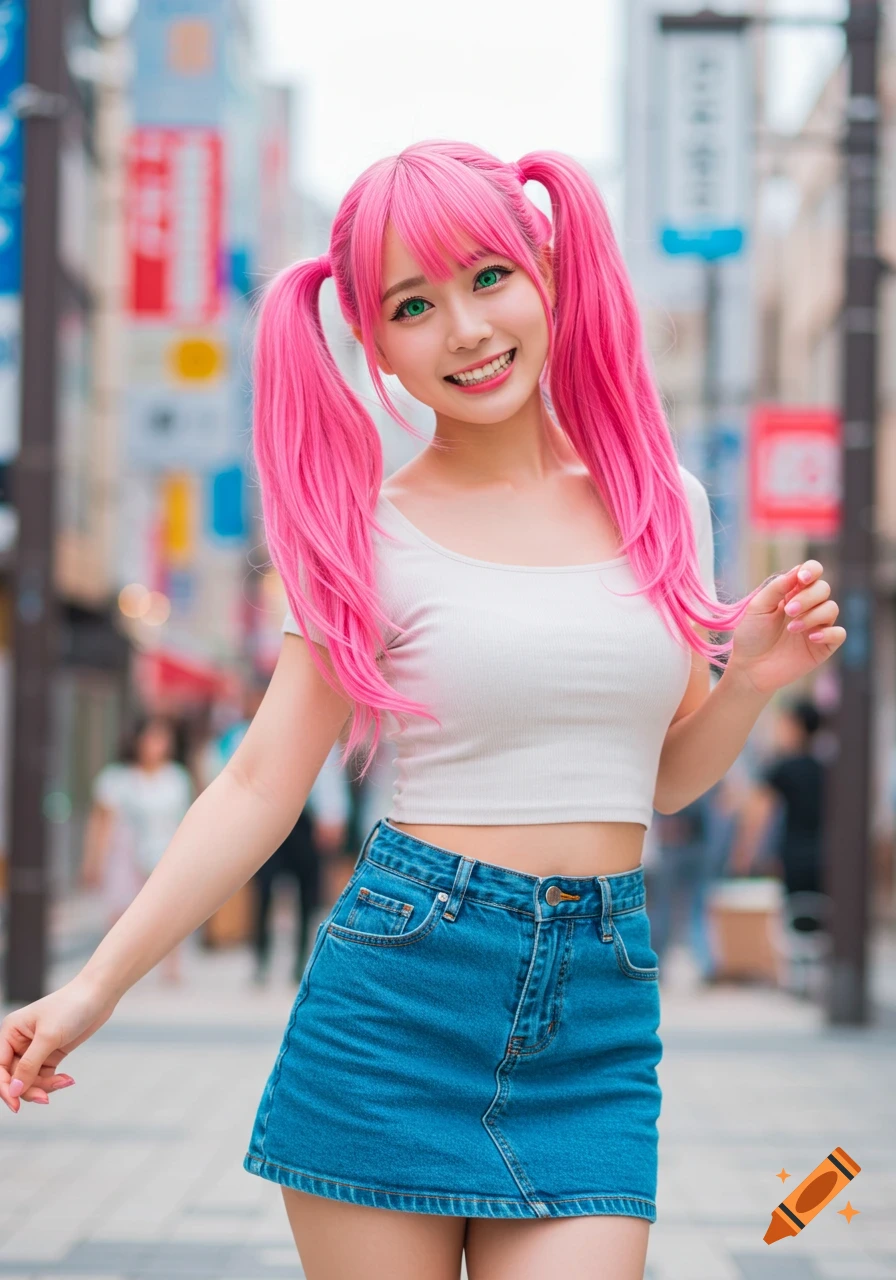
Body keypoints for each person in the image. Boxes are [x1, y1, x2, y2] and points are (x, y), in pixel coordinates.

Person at [0, 142, 847, 1279]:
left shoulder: (664, 503)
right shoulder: (365, 530)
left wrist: (744, 677)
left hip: (595, 1014)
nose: (462, 327)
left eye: (487, 275)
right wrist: (94, 984)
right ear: (373, 343)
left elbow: (658, 777)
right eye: (413, 304)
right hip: (400, 994)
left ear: (544, 267)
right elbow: (258, 781)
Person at [80, 716, 193, 984]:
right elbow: (101, 822)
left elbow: (185, 819)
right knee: (120, 912)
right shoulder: (116, 778)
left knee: (168, 913)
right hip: (126, 855)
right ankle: (109, 971)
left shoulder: (176, 778)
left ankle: (172, 967)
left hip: (165, 851)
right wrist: (93, 860)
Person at [738, 698, 827, 930]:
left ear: (796, 727)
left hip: (791, 857)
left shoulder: (782, 768)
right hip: (825, 855)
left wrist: (745, 854)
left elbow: (758, 812)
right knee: (817, 923)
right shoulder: (825, 768)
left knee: (792, 923)